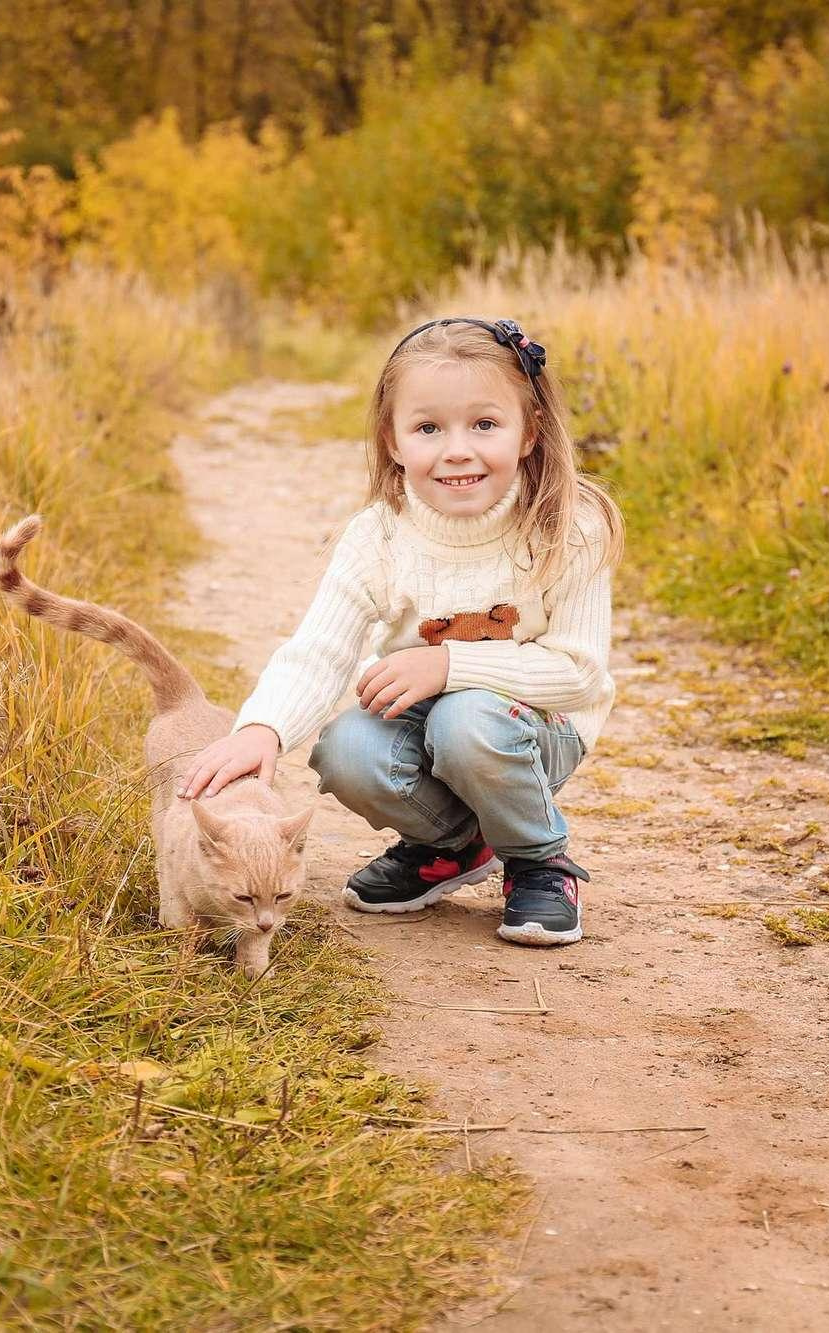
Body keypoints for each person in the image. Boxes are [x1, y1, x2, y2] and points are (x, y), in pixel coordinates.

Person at [178, 316, 621, 945]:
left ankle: (538, 859)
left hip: (534, 726)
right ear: (393, 440)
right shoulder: (378, 535)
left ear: (530, 433)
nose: (458, 449)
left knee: (467, 722)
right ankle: (450, 847)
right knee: (347, 748)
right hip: (428, 721)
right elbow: (321, 650)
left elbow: (579, 673)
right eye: (428, 428)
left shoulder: (567, 528)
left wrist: (449, 667)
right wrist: (263, 728)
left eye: (485, 424)